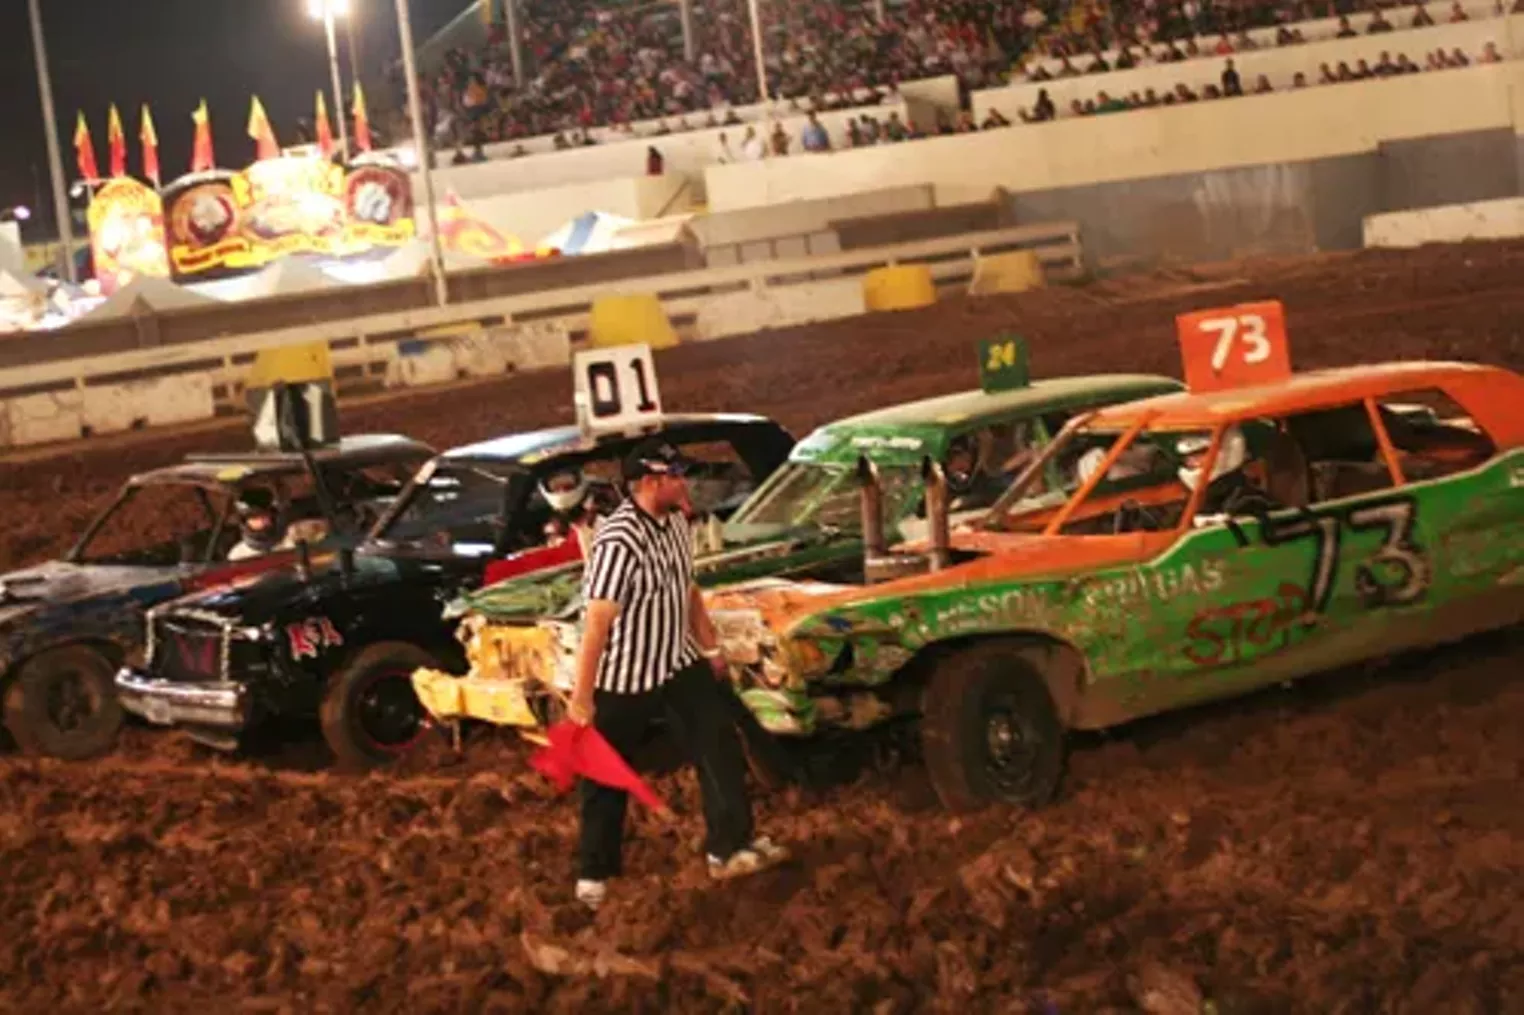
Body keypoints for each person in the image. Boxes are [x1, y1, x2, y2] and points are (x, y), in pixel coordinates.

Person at [569, 439, 787, 910]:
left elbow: (686, 590)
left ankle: (729, 847)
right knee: (606, 776)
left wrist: (710, 649)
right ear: (650, 482)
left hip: (678, 661)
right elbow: (598, 622)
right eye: (675, 476)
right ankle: (594, 874)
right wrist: (582, 696)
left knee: (718, 745)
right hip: (624, 676)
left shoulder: (676, 524)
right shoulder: (618, 540)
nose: (684, 482)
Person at [227, 488, 280, 561]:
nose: (261, 521)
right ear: (244, 521)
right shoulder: (238, 555)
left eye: (265, 515)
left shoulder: (291, 542)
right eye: (254, 517)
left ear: (272, 516)